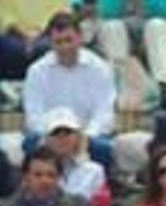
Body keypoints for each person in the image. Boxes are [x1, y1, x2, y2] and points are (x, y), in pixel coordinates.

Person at [22, 13, 116, 172]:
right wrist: (54, 138)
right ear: (50, 43)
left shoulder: (100, 69)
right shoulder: (37, 71)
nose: (64, 47)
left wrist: (82, 138)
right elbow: (33, 115)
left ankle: (103, 187)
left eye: (69, 40)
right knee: (30, 142)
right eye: (58, 42)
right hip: (49, 136)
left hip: (87, 138)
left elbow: (104, 113)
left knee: (105, 148)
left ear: (80, 38)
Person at [36, 107, 105, 204]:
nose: (62, 137)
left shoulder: (95, 171)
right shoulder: (35, 172)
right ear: (46, 139)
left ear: (77, 137)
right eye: (55, 132)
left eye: (68, 132)